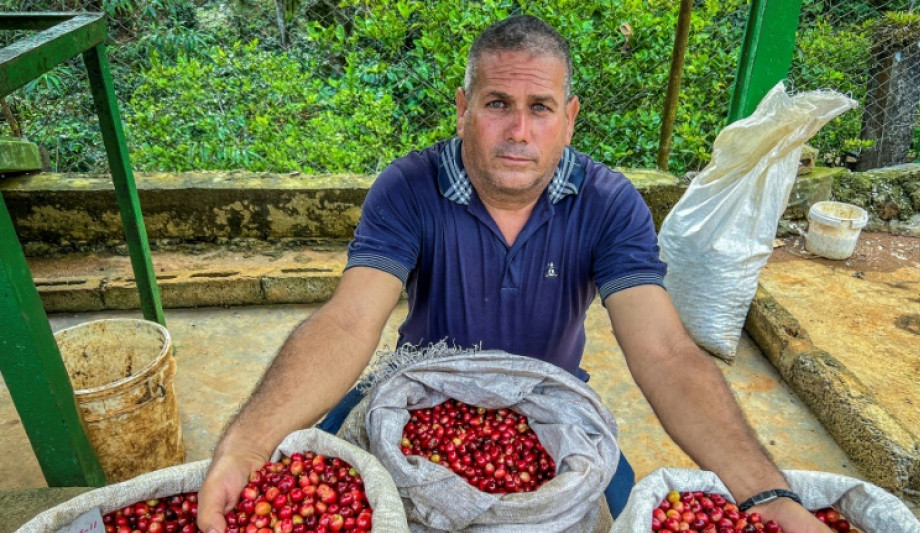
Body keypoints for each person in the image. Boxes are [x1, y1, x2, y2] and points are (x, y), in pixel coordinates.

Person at [198, 15, 833, 532]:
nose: (519, 131)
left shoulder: (608, 203)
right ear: (463, 108)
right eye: (498, 103)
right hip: (420, 393)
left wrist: (764, 493)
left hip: (546, 402)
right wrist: (246, 447)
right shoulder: (408, 187)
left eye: (541, 107)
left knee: (622, 506)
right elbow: (347, 322)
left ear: (571, 117)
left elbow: (665, 352)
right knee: (308, 485)